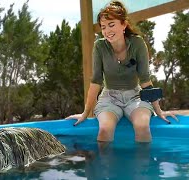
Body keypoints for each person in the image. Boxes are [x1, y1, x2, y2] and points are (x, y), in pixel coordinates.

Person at [66, 1, 178, 142]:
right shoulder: (99, 46)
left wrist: (159, 111)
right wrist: (85, 113)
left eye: (111, 25)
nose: (107, 31)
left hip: (135, 96)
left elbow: (145, 80)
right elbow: (95, 82)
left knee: (142, 126)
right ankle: (105, 164)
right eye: (103, 27)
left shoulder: (137, 43)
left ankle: (143, 165)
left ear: (124, 24)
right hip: (109, 98)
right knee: (105, 129)